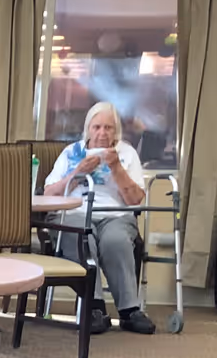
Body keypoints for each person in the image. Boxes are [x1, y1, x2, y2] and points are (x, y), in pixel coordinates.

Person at [45, 100, 155, 335]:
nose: (102, 133)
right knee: (83, 240)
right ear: (88, 129)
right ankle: (93, 308)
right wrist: (78, 172)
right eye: (97, 127)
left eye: (108, 127)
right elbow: (49, 193)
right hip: (74, 212)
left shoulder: (127, 154)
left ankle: (129, 311)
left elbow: (136, 200)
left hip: (115, 216)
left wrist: (116, 167)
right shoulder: (71, 152)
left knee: (115, 241)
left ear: (117, 131)